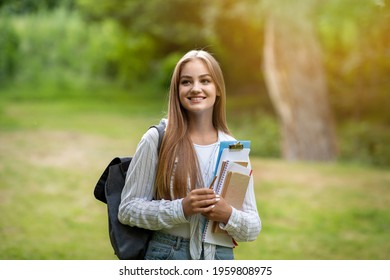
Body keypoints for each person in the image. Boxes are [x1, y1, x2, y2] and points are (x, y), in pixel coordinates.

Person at [118, 49, 261, 260]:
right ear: (177, 90)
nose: (196, 89)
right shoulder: (157, 139)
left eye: (205, 81)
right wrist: (182, 208)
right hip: (168, 255)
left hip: (220, 257)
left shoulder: (234, 149)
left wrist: (228, 214)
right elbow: (128, 209)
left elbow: (252, 227)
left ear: (218, 88)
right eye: (186, 82)